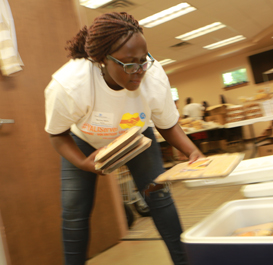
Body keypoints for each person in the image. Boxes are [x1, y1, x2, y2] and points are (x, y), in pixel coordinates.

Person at [44, 12, 204, 265]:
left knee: (159, 197)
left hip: (136, 137)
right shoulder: (69, 85)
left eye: (143, 61)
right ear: (101, 60)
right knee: (74, 211)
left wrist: (192, 151)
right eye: (129, 63)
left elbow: (168, 124)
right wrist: (85, 163)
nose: (139, 71)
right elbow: (57, 134)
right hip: (83, 142)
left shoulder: (153, 77)